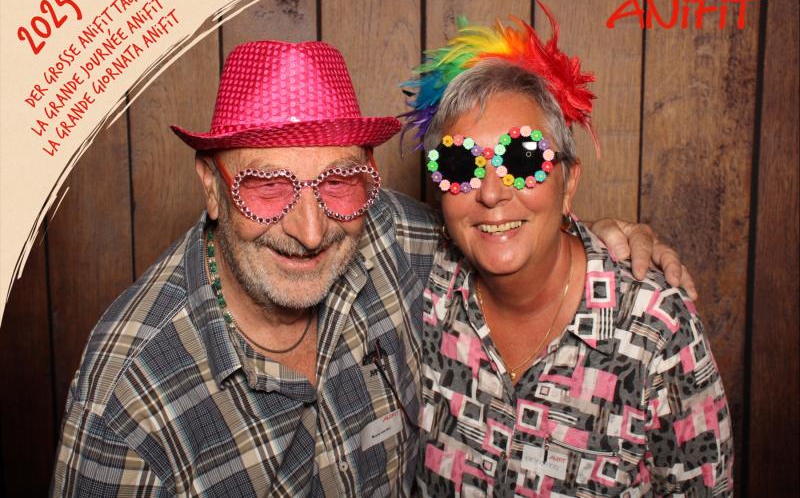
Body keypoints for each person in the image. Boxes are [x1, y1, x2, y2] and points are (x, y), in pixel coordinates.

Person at [51, 40, 691, 497]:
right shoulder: (126, 401)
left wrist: (598, 236)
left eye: (338, 181)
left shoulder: (388, 239)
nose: (311, 233)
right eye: (266, 187)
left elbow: (497, 224)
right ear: (212, 188)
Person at [403, 7, 733, 496]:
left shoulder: (657, 329)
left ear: (568, 182)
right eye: (459, 164)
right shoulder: (418, 284)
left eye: (522, 159)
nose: (491, 193)